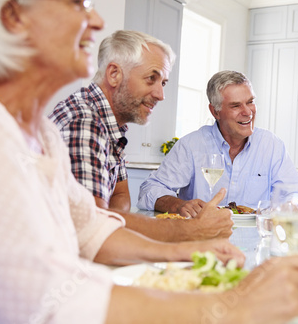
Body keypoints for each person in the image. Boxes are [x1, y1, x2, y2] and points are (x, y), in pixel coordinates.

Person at [0, 0, 298, 323]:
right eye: (78, 2)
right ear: (14, 16)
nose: (97, 19)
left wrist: (186, 250)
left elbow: (91, 226)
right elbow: (38, 301)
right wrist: (229, 308)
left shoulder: (41, 131)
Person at [49, 30, 233, 242]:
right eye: (150, 79)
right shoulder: (85, 122)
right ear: (114, 74)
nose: (160, 95)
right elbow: (92, 228)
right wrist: (190, 231)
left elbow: (120, 197)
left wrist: (113, 220)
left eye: (163, 83)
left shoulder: (107, 124)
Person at [138, 70, 298, 217]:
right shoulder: (191, 145)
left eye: (250, 102)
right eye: (235, 106)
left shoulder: (272, 145)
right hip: (201, 240)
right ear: (215, 111)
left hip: (256, 240)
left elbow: (295, 195)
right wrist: (178, 204)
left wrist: (290, 207)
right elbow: (150, 190)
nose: (248, 112)